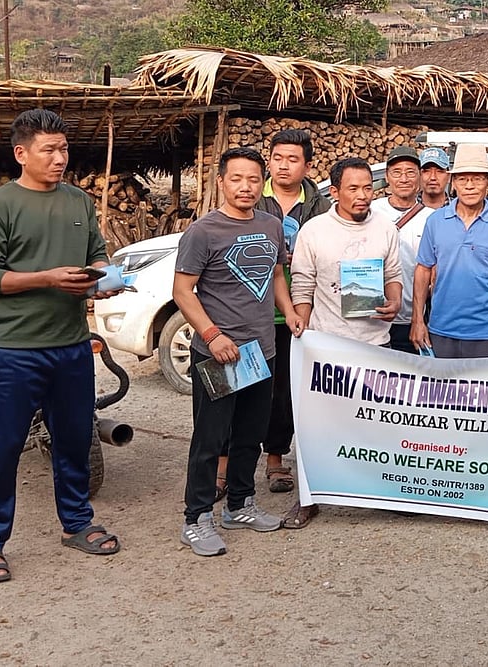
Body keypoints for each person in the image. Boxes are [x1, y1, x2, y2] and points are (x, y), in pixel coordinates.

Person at [0, 109, 122, 584]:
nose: (60, 158)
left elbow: (96, 254)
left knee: (74, 439)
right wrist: (47, 278)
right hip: (15, 348)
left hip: (72, 345)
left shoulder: (77, 201)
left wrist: (102, 279)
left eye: (64, 149)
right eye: (49, 150)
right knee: (3, 446)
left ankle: (76, 523)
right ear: (21, 153)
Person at [174, 147, 305, 557]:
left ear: (261, 183)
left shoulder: (271, 225)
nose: (245, 186)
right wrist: (212, 335)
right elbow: (182, 291)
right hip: (220, 353)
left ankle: (240, 505)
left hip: (261, 351)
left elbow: (277, 274)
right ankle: (196, 518)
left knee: (251, 433)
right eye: (236, 179)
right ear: (221, 182)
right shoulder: (203, 232)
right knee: (211, 439)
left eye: (252, 179)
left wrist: (290, 312)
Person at [280, 157, 403, 529]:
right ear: (334, 192)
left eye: (368, 187)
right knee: (318, 425)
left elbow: (393, 274)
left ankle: (382, 492)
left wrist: (394, 301)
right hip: (327, 346)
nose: (363, 195)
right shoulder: (315, 231)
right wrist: (301, 323)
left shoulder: (385, 227)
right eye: (353, 188)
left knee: (377, 423)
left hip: (375, 344)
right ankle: (309, 496)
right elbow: (303, 282)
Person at [212, 129, 331, 500]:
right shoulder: (250, 197)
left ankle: (275, 458)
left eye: (293, 159)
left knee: (282, 394)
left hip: (295, 314)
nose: (283, 166)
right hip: (244, 315)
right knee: (232, 390)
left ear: (307, 165)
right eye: (277, 158)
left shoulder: (319, 206)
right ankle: (222, 465)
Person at [410, 144, 488, 358]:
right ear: (453, 183)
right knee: (440, 381)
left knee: (486, 382)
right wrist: (418, 320)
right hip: (441, 330)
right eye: (462, 179)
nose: (469, 186)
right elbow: (423, 270)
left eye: (477, 179)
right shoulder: (435, 221)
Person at [383, 146, 448, 354]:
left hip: (415, 319)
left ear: (419, 177)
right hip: (374, 319)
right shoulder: (370, 211)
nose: (404, 179)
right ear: (387, 177)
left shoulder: (434, 218)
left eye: (410, 172)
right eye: (397, 172)